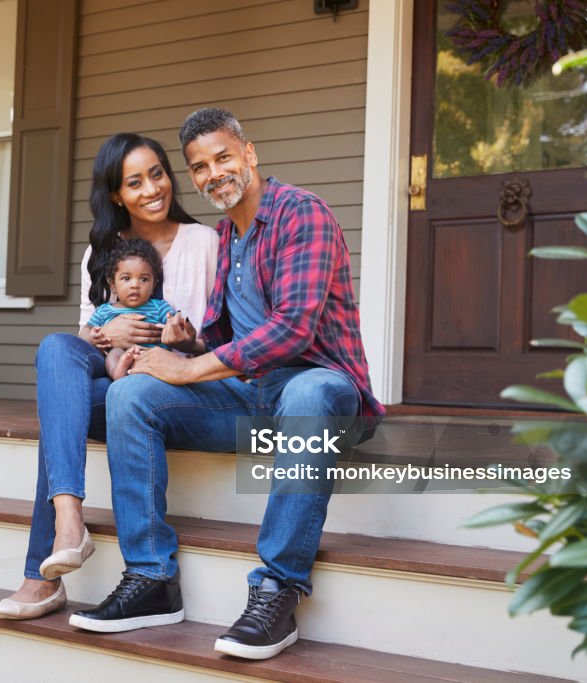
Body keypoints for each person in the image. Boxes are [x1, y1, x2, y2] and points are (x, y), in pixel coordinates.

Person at [69, 108, 385, 660]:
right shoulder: (227, 236)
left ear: (250, 154)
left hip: (319, 392)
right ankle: (150, 578)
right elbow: (222, 337)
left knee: (311, 391)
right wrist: (183, 342)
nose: (213, 173)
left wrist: (192, 368)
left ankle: (277, 589)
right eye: (198, 167)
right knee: (132, 390)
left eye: (223, 157)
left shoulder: (301, 214)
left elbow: (290, 331)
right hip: (251, 396)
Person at [0, 133, 218, 619]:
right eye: (134, 182)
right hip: (116, 373)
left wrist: (184, 342)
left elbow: (220, 337)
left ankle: (40, 578)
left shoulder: (203, 242)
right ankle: (69, 520)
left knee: (60, 417)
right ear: (116, 194)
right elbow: (81, 337)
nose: (151, 188)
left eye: (157, 174)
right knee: (57, 349)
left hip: (173, 384)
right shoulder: (100, 252)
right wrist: (107, 330)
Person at [82, 239, 198, 380]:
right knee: (114, 354)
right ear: (112, 284)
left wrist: (174, 327)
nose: (135, 285)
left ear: (154, 285)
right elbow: (85, 331)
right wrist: (91, 337)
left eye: (143, 279)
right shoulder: (105, 310)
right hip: (121, 356)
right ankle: (117, 372)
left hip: (151, 356)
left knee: (163, 354)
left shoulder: (159, 307)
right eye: (126, 278)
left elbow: (175, 324)